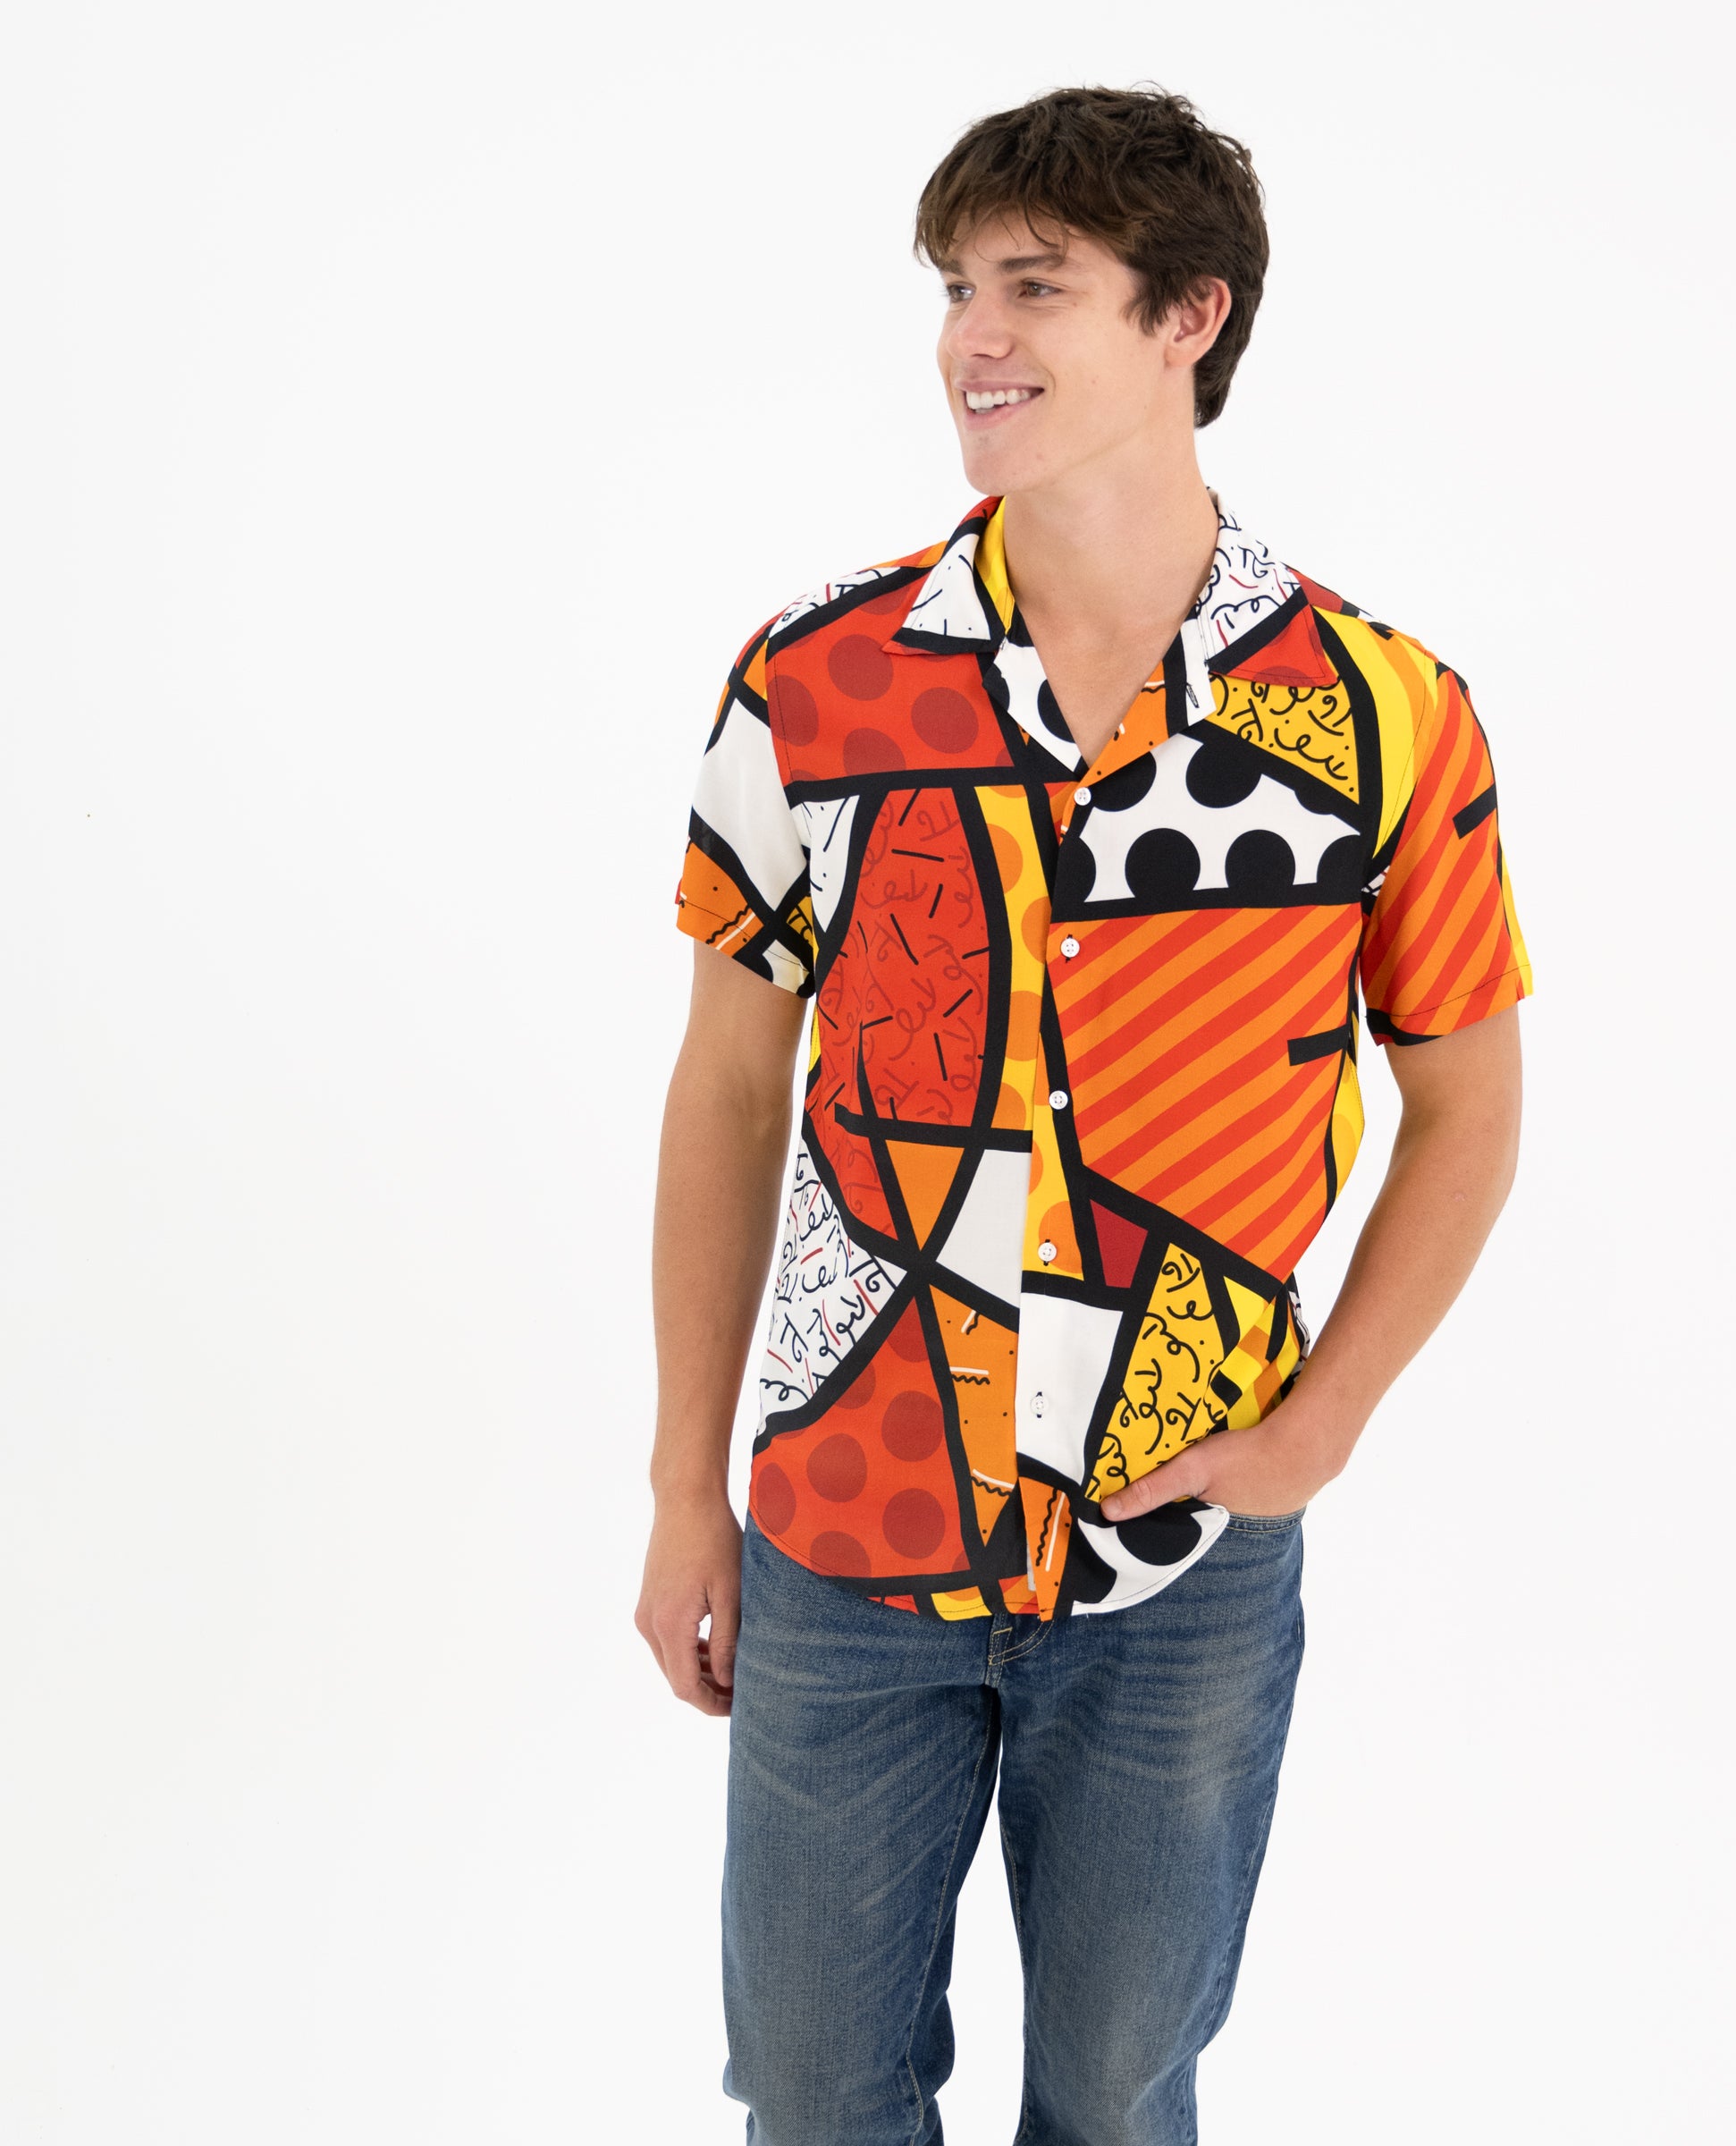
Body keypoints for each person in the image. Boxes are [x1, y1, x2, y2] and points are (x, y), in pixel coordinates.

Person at [635, 84, 1531, 2146]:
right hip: (852, 1517)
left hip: (1180, 1547)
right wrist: (687, 1486)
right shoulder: (817, 680)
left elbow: (1469, 1102)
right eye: (958, 288)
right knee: (811, 2094)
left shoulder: (1380, 711)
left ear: (1187, 316)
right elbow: (729, 1087)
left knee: (1123, 2101)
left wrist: (1323, 1424)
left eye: (1036, 287)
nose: (975, 336)